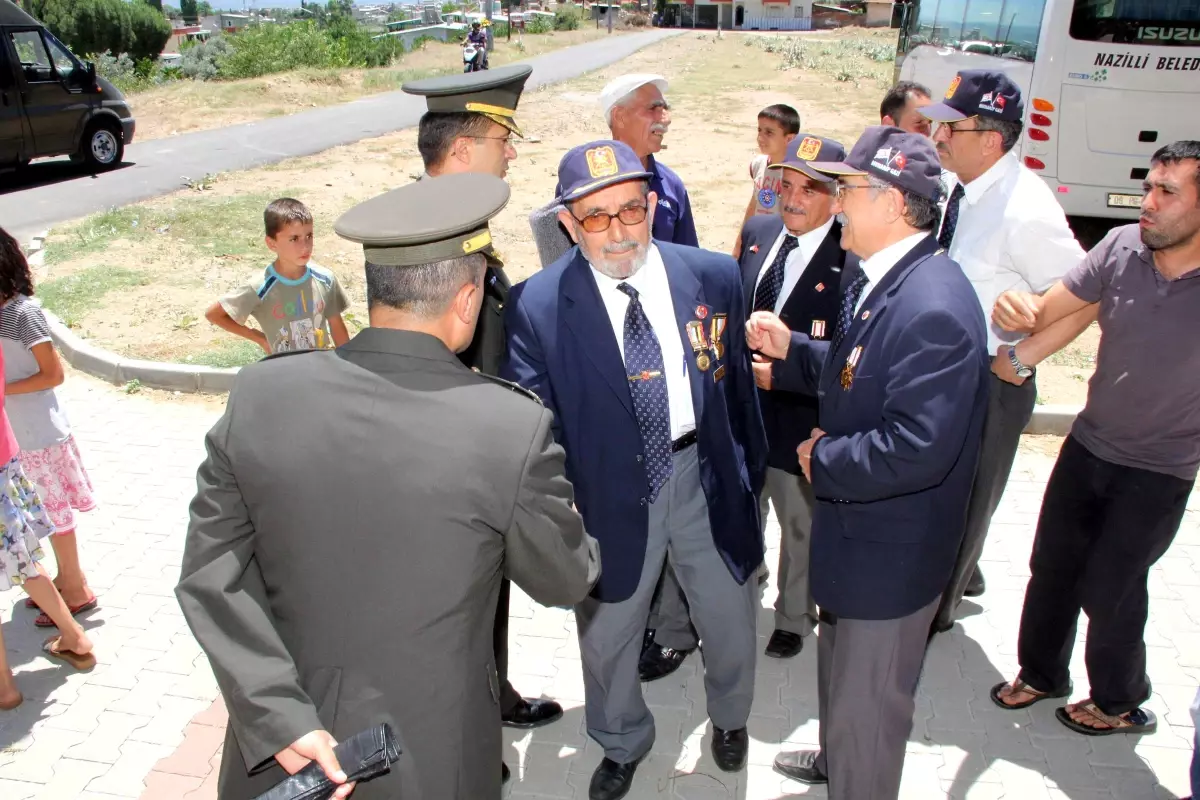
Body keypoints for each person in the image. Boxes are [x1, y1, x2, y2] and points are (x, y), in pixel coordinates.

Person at [176, 173, 599, 799]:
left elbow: (209, 577)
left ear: (375, 289)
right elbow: (565, 579)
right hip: (431, 754)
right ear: (466, 299)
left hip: (284, 752)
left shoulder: (260, 394)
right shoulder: (510, 427)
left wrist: (277, 715)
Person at [503, 140, 767, 800]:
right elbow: (538, 428)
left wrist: (746, 478)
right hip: (608, 494)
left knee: (730, 616)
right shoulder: (537, 305)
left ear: (653, 206)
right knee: (608, 635)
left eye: (630, 211)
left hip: (700, 476)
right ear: (568, 222)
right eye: (596, 217)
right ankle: (622, 739)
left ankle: (731, 720)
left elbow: (737, 392)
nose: (618, 232)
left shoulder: (712, 276)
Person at [751, 126, 989, 799]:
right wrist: (794, 348)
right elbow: (862, 369)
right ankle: (837, 760)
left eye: (847, 187)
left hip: (889, 557)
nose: (836, 198)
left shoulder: (933, 307)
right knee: (843, 687)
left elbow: (917, 446)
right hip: (859, 545)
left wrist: (823, 454)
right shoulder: (892, 275)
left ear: (889, 201)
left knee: (871, 713)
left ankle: (856, 778)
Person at [988, 141, 1200, 738]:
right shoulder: (1121, 246)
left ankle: (1120, 699)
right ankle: (1041, 673)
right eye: (1148, 189)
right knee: (1050, 566)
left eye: (1167, 192)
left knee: (1112, 585)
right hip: (1088, 445)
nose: (1148, 204)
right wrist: (1019, 312)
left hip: (1161, 469)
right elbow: (1049, 307)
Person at [403, 66, 565, 749]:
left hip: (473, 453)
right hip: (449, 461)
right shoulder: (426, 234)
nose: (512, 152)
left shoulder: (457, 221)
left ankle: (489, 696)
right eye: (504, 137)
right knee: (455, 609)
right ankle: (465, 744)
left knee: (483, 597)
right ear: (464, 151)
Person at [918, 69, 1088, 634]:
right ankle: (947, 582)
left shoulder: (1026, 208)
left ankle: (933, 617)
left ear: (991, 138)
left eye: (951, 127)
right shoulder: (959, 191)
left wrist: (1025, 352)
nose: (937, 137)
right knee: (940, 493)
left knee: (969, 503)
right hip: (946, 373)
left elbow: (1090, 294)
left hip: (991, 380)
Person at [741, 134, 854, 659]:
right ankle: (743, 588)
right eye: (785, 185)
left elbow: (853, 350)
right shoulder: (760, 232)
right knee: (743, 511)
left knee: (800, 526)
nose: (793, 199)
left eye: (809, 189)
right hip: (745, 413)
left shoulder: (849, 259)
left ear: (836, 196)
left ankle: (793, 615)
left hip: (802, 415)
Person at [0, 227, 97, 628]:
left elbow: (53, 374)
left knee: (54, 514)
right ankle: (62, 583)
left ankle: (76, 588)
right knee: (40, 514)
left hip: (40, 432)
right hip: (19, 435)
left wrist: (3, 389)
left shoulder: (23, 313)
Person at [0, 343, 97, 714]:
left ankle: (5, 686)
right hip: (5, 461)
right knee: (21, 557)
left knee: (19, 558)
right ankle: (74, 636)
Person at [205, 198, 351, 356]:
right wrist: (259, 338)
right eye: (294, 239)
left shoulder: (325, 279)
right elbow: (214, 314)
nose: (305, 246)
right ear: (271, 244)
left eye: (309, 236)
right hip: (283, 373)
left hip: (321, 370)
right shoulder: (261, 287)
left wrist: (349, 365)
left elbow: (336, 325)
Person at [574, 74, 699, 247]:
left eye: (665, 109)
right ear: (620, 116)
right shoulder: (582, 185)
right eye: (653, 108)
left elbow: (687, 257)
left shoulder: (671, 185)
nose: (666, 120)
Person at [731, 103, 801, 258]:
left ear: (789, 139)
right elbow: (754, 203)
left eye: (769, 132)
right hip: (758, 239)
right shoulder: (758, 164)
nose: (760, 138)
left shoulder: (798, 174)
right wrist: (739, 244)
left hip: (782, 244)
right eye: (759, 130)